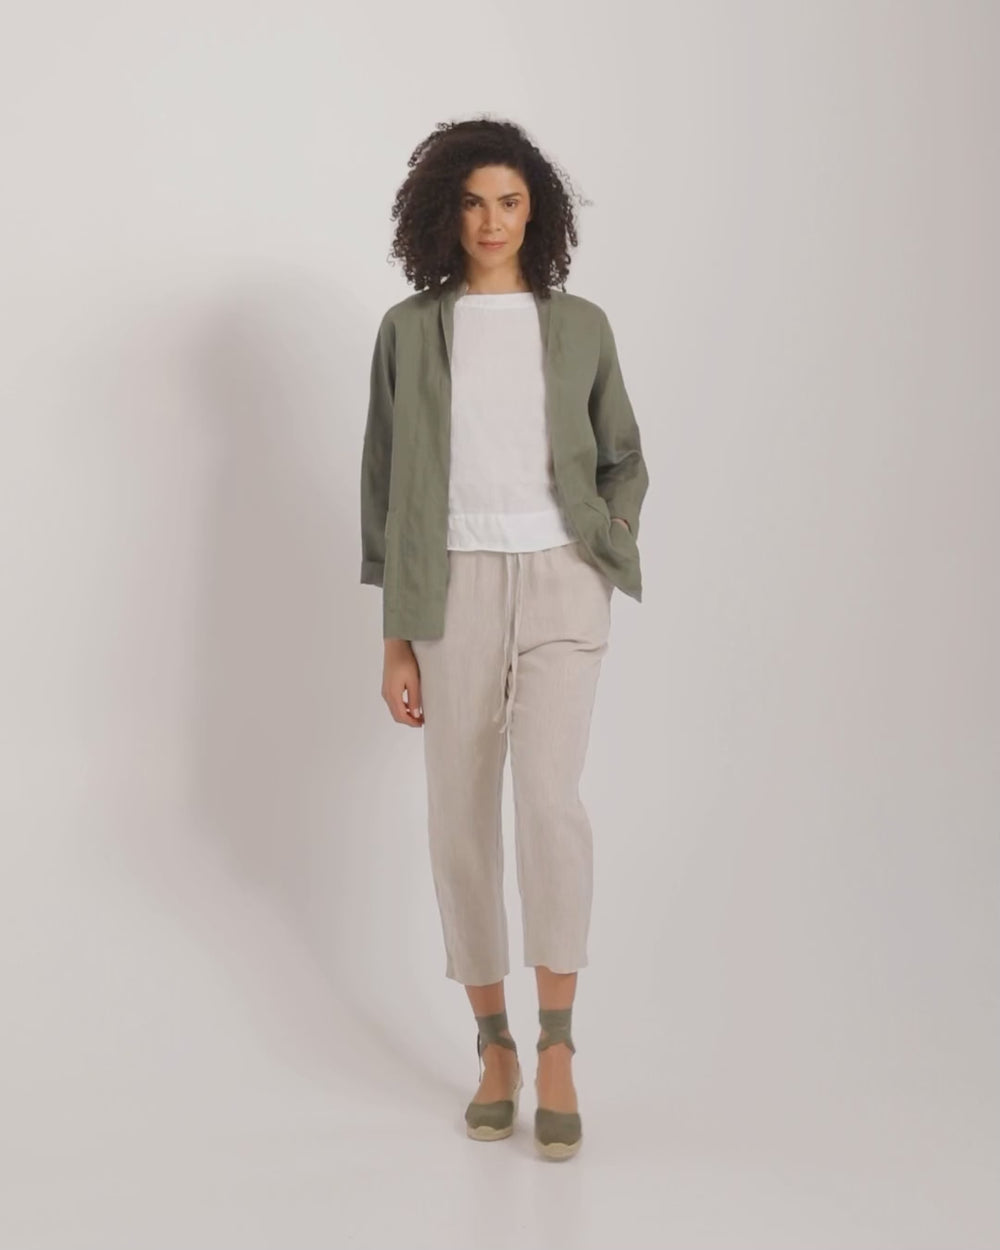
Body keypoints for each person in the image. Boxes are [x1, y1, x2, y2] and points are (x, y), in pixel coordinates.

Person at [359, 117, 649, 1160]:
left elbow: (623, 455)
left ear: (538, 213)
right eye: (475, 203)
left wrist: (608, 536)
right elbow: (384, 483)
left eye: (511, 202)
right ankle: (495, 1045)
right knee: (459, 819)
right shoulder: (408, 330)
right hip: (451, 590)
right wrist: (397, 637)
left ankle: (558, 1043)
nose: (492, 222)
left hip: (564, 582)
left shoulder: (580, 325)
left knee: (549, 805)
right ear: (445, 213)